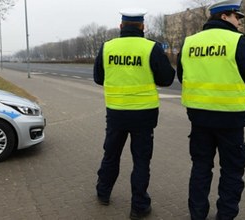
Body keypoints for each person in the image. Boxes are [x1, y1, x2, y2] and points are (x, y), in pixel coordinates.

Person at [176, 0, 245, 219]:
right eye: (237, 17)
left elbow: (182, 76)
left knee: (200, 168)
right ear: (224, 17)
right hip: (230, 120)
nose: (239, 22)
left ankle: (197, 214)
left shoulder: (189, 43)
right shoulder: (237, 41)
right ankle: (225, 215)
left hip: (199, 118)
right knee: (232, 171)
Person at [93, 8, 176, 220]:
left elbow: (98, 78)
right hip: (143, 115)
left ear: (121, 26)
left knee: (111, 155)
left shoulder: (107, 47)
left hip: (116, 114)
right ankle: (139, 206)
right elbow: (167, 79)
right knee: (141, 161)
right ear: (143, 27)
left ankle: (103, 192)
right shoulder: (151, 48)